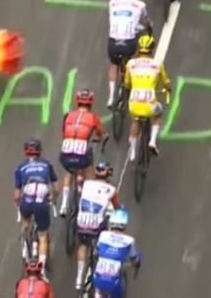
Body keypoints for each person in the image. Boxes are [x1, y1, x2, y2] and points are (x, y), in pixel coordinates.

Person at [14, 138, 60, 274]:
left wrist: (17, 205)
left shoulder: (20, 167)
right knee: (43, 236)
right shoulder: (47, 164)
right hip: (41, 204)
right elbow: (56, 188)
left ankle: (24, 243)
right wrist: (53, 199)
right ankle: (41, 267)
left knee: (25, 220)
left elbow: (16, 195)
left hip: (26, 202)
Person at [122, 34, 172, 160]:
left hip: (134, 104)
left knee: (135, 121)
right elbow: (166, 82)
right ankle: (152, 141)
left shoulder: (131, 64)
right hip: (150, 105)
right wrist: (168, 89)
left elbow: (127, 83)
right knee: (157, 114)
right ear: (152, 49)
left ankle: (132, 151)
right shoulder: (157, 65)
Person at [58, 89, 106, 216]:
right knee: (90, 173)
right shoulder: (94, 118)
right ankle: (90, 203)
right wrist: (101, 139)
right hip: (82, 154)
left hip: (66, 152)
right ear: (91, 103)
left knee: (68, 172)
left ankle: (63, 204)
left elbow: (63, 134)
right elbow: (100, 135)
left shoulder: (68, 115)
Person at [106, 0, 151, 108]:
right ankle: (133, 76)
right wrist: (149, 27)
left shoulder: (113, 3)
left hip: (113, 42)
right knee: (138, 46)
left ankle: (111, 96)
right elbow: (146, 21)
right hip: (128, 44)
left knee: (114, 64)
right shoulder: (140, 5)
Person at [74, 162, 120, 291]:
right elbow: (117, 209)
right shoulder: (111, 190)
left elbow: (80, 183)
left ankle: (79, 278)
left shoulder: (87, 184)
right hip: (96, 225)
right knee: (106, 238)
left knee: (83, 245)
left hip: (82, 221)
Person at [92, 207, 142, 298]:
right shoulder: (129, 240)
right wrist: (137, 263)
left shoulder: (103, 235)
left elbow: (96, 252)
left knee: (98, 290)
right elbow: (134, 259)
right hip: (114, 283)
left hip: (98, 279)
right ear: (125, 225)